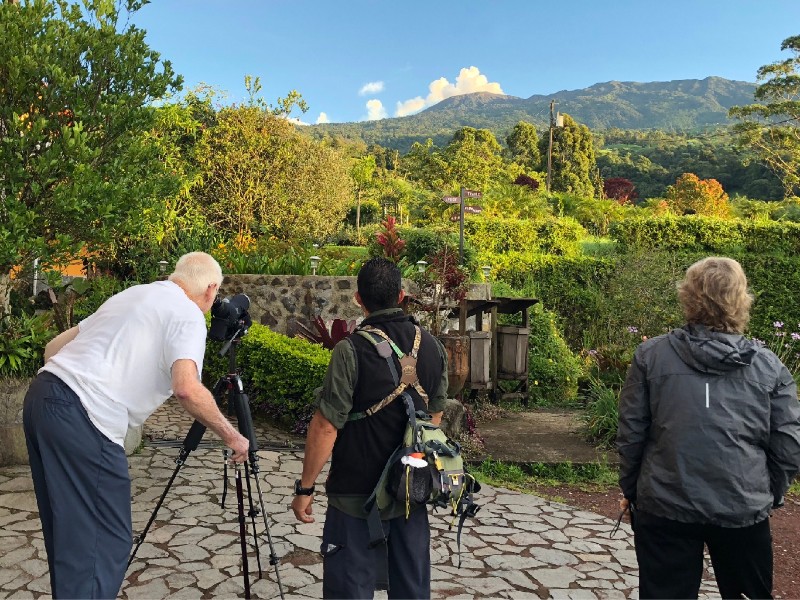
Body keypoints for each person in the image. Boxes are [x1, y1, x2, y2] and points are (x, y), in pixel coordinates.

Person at [23, 252, 250, 599]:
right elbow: (187, 387)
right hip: (86, 416)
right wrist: (233, 435)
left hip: (43, 396)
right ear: (211, 288)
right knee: (103, 542)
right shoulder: (188, 314)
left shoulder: (133, 294)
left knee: (71, 534)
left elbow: (52, 349)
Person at [617, 256, 800, 599]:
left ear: (688, 296)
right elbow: (789, 445)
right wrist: (767, 494)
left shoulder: (650, 356)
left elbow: (631, 434)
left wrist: (632, 489)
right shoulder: (770, 367)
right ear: (741, 300)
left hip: (665, 504)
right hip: (742, 508)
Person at [291, 257, 448, 599]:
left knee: (350, 590)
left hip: (354, 495)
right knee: (411, 590)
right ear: (402, 295)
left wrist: (305, 488)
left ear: (358, 299)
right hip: (411, 491)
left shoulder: (350, 351)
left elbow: (326, 427)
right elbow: (434, 418)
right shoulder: (433, 347)